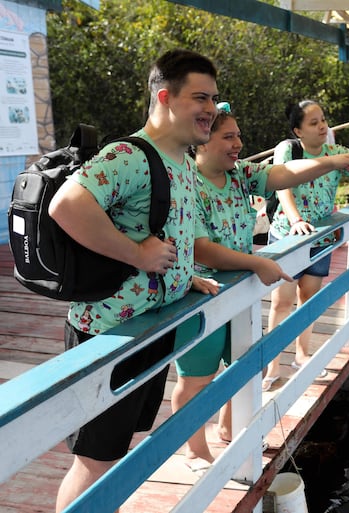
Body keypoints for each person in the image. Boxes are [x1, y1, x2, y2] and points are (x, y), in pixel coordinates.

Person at [48, 49, 222, 512]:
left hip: (148, 327)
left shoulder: (181, 159)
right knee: (94, 460)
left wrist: (184, 278)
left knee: (117, 452)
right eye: (200, 98)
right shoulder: (128, 154)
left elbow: (167, 228)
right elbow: (66, 206)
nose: (211, 109)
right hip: (109, 334)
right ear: (165, 97)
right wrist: (137, 254)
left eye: (214, 99)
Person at [171, 103, 349, 471]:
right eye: (228, 136)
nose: (238, 144)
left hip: (240, 296)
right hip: (198, 299)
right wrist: (256, 262)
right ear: (201, 140)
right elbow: (200, 247)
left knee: (242, 366)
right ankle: (195, 450)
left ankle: (230, 429)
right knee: (196, 379)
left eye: (239, 136)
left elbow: (283, 174)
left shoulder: (240, 175)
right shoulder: (185, 184)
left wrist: (331, 162)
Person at [262, 96, 349, 391]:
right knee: (281, 302)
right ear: (298, 130)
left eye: (323, 121)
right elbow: (283, 188)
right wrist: (295, 220)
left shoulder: (335, 153)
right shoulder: (287, 150)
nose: (321, 127)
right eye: (313, 123)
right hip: (287, 237)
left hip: (320, 239)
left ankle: (302, 356)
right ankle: (272, 366)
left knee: (309, 300)